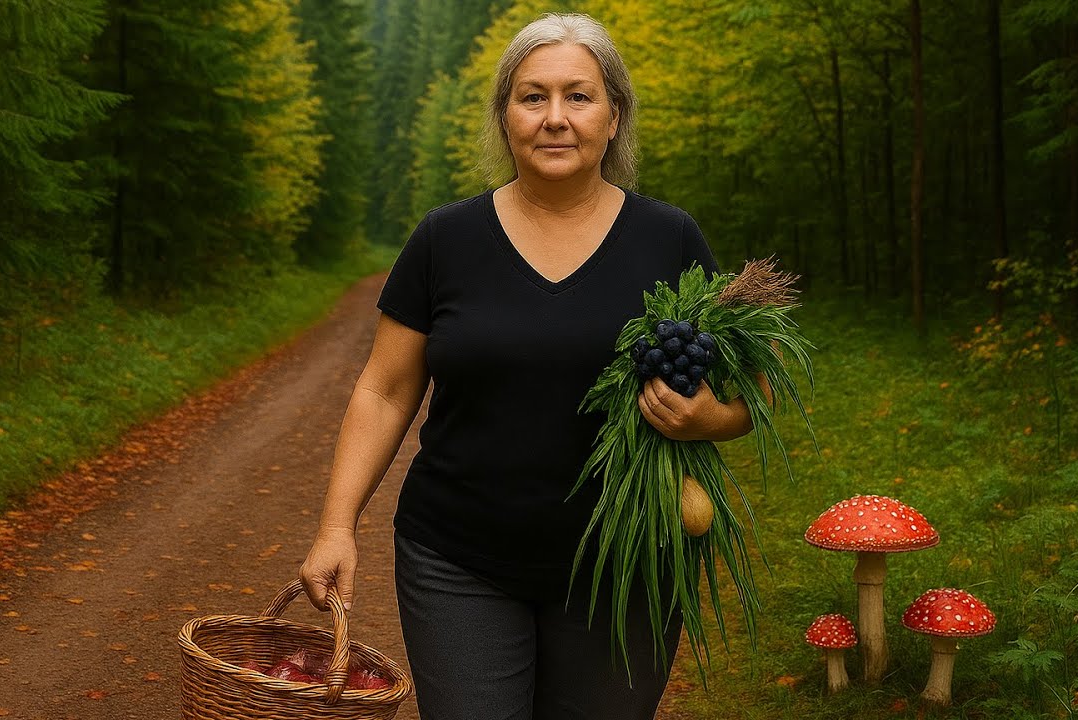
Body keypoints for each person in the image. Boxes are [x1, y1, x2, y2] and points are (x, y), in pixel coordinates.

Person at [300, 13, 761, 720]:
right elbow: (386, 390)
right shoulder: (444, 241)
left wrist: (706, 419)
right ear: (504, 117)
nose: (555, 118)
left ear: (614, 118)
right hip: (458, 560)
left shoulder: (668, 238)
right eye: (532, 96)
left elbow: (746, 394)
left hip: (629, 562)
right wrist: (338, 524)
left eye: (578, 96)